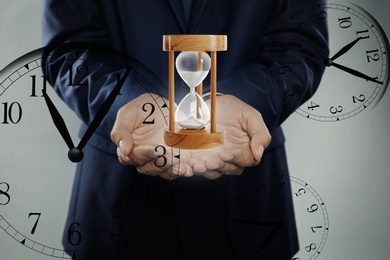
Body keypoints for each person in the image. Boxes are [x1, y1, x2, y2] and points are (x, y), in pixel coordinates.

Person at [42, 0, 328, 259]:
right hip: (117, 199)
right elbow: (68, 49)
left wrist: (244, 102)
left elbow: (300, 45)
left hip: (247, 206)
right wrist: (128, 105)